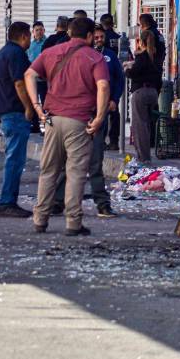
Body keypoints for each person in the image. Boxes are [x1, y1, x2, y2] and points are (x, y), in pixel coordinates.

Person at [24, 17, 110, 236]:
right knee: (75, 172)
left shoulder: (52, 52)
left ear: (70, 33)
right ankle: (73, 222)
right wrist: (100, 116)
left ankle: (40, 219)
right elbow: (102, 86)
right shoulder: (95, 58)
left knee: (48, 171)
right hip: (78, 121)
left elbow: (29, 74)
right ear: (89, 36)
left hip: (52, 119)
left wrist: (37, 107)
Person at [52, 25, 125, 218]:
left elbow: (117, 81)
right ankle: (58, 202)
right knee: (70, 161)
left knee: (95, 161)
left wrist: (113, 100)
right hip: (77, 116)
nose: (98, 39)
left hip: (97, 115)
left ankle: (102, 203)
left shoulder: (108, 57)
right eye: (96, 36)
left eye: (101, 37)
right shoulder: (79, 56)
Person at [0, 21, 36, 218]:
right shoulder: (17, 54)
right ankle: (7, 202)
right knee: (15, 161)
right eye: (29, 36)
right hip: (14, 112)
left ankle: (8, 201)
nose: (30, 41)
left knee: (13, 159)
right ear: (24, 36)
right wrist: (29, 107)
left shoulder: (1, 53)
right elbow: (19, 83)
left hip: (4, 110)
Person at [125, 29, 162, 163]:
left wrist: (126, 70)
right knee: (147, 125)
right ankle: (146, 155)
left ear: (141, 41)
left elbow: (134, 72)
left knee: (139, 126)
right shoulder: (156, 57)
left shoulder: (142, 57)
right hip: (152, 92)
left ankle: (143, 157)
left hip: (140, 92)